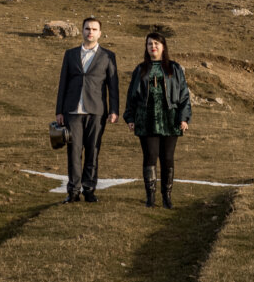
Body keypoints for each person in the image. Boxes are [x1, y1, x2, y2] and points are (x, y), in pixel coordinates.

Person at [54, 16, 119, 204]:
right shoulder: (70, 54)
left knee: (93, 151)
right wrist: (59, 111)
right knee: (74, 152)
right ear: (82, 31)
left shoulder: (108, 56)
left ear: (100, 33)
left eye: (94, 29)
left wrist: (114, 110)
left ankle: (89, 190)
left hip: (96, 112)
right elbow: (63, 83)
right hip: (72, 111)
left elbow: (113, 86)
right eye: (87, 29)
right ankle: (73, 191)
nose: (90, 32)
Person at [124, 31, 191, 209]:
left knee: (167, 157)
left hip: (170, 119)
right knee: (150, 156)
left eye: (156, 43)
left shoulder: (174, 68)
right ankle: (151, 197)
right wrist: (130, 117)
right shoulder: (140, 69)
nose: (153, 47)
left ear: (163, 47)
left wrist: (184, 117)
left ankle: (167, 197)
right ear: (146, 47)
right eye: (149, 44)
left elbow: (184, 95)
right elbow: (131, 95)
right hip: (146, 119)